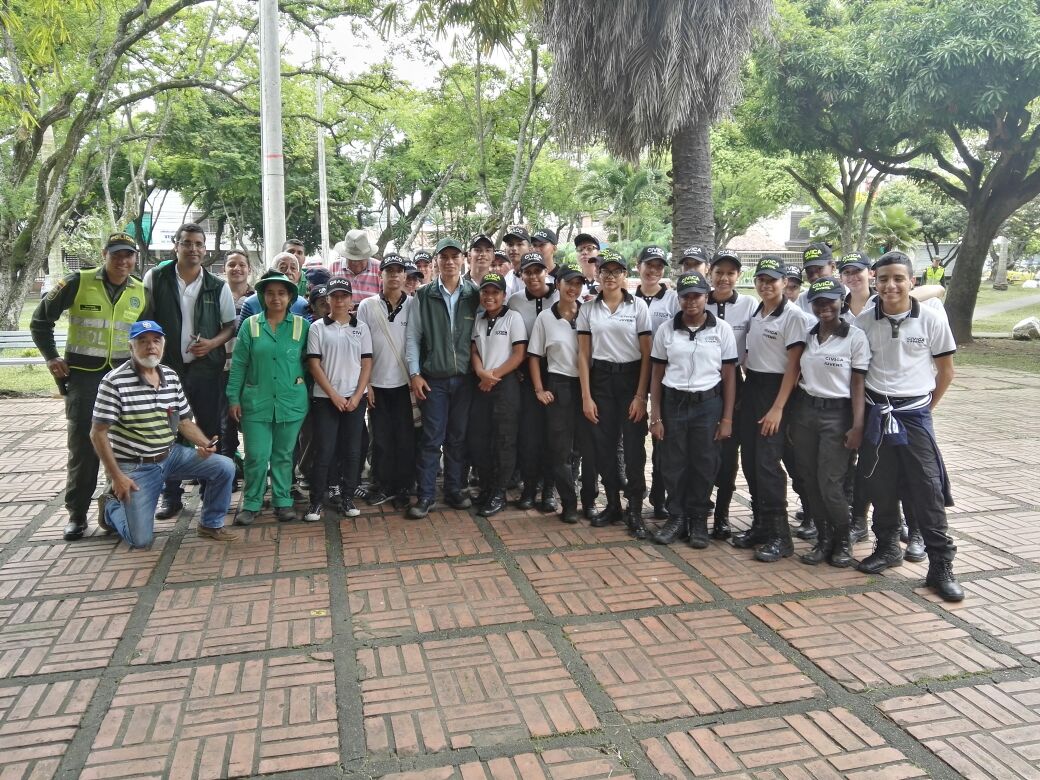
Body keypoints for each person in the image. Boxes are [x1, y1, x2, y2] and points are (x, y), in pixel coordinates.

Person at [852, 251, 963, 601]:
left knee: (928, 488)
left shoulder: (931, 319)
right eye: (884, 279)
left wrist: (926, 408)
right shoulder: (864, 322)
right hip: (877, 413)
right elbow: (858, 374)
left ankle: (941, 565)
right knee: (879, 483)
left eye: (898, 278)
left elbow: (946, 372)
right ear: (875, 282)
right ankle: (887, 547)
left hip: (915, 415)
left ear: (912, 281)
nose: (891, 285)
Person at [31, 231, 148, 540]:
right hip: (85, 378)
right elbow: (40, 321)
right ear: (104, 254)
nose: (122, 261)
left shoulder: (140, 290)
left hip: (124, 379)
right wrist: (51, 357)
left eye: (128, 255)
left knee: (123, 446)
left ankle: (113, 508)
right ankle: (77, 514)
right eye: (116, 254)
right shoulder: (77, 282)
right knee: (84, 449)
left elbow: (147, 336)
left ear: (135, 258)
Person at [90, 321, 237, 547]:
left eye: (156, 341)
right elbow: (98, 434)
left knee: (224, 466)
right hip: (135, 466)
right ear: (131, 347)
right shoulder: (114, 382)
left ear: (163, 345)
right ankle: (110, 506)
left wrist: (205, 443)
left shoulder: (169, 375)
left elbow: (183, 421)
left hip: (171, 455)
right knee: (140, 540)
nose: (151, 346)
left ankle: (210, 524)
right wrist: (117, 476)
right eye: (143, 341)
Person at [143, 223, 237, 521]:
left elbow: (230, 326)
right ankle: (170, 496)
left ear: (205, 249)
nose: (193, 249)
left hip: (206, 371)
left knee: (209, 430)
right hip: (167, 370)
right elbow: (145, 320)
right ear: (176, 246)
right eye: (187, 243)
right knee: (167, 431)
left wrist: (211, 344)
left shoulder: (216, 285)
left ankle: (210, 493)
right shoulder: (156, 278)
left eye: (198, 244)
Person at [648, 271, 737, 547]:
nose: (691, 301)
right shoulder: (667, 330)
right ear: (679, 299)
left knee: (705, 463)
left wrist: (727, 418)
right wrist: (655, 415)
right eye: (685, 296)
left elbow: (729, 376)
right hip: (674, 404)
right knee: (673, 463)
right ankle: (676, 517)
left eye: (696, 296)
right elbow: (656, 374)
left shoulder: (721, 329)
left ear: (706, 297)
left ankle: (698, 519)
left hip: (708, 405)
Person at [732, 256, 808, 562]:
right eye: (761, 279)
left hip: (778, 392)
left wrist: (778, 408)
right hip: (753, 387)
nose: (766, 285)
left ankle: (781, 536)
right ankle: (761, 526)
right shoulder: (757, 312)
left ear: (784, 282)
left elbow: (794, 366)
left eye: (772, 280)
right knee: (750, 461)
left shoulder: (793, 316)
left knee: (767, 463)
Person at [790, 278, 869, 568]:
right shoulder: (809, 336)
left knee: (831, 483)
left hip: (838, 415)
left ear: (841, 302)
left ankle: (843, 540)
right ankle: (823, 540)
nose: (824, 306)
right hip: (807, 412)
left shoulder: (855, 337)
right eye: (818, 301)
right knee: (809, 480)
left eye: (830, 300)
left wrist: (858, 426)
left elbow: (858, 385)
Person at [577, 249, 652, 537]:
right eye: (605, 271)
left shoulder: (638, 307)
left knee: (633, 448)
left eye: (616, 271)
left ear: (624, 275)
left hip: (631, 380)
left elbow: (647, 355)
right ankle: (612, 505)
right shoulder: (588, 309)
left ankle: (635, 509)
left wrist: (640, 396)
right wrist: (586, 396)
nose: (610, 276)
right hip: (601, 380)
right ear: (597, 274)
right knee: (604, 447)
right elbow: (584, 356)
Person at [405, 237, 480, 518]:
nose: (449, 261)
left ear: (463, 259)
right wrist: (415, 373)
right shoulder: (423, 296)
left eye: (454, 256)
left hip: (465, 379)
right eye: (443, 256)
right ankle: (425, 496)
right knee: (431, 438)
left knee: (458, 437)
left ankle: (454, 489)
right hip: (433, 379)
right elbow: (413, 337)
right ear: (436, 260)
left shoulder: (474, 294)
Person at [227, 272, 310, 525]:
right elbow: (239, 364)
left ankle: (283, 501)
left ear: (290, 297)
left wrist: (302, 385)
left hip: (290, 401)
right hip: (256, 402)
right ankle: (252, 503)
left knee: (283, 455)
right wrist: (233, 397)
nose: (276, 298)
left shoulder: (302, 326)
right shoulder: (250, 325)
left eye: (282, 293)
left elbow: (312, 363)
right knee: (256, 455)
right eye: (270, 293)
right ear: (262, 296)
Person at [304, 278, 372, 521]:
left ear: (351, 300)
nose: (340, 300)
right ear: (328, 299)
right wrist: (333, 395)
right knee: (324, 450)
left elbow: (366, 363)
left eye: (344, 296)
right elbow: (314, 364)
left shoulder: (361, 327)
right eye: (335, 296)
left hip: (355, 399)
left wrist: (357, 395)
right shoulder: (317, 328)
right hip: (325, 399)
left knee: (352, 450)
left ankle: (347, 497)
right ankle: (316, 501)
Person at [527, 263, 588, 524]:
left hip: (586, 386)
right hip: (559, 385)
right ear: (558, 284)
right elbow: (534, 356)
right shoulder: (545, 318)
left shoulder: (588, 313)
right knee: (560, 449)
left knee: (581, 447)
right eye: (568, 283)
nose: (573, 288)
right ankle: (569, 503)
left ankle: (586, 500)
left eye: (578, 284)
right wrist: (539, 389)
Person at [357, 254, 415, 510]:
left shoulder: (414, 304)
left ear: (404, 275)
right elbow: (361, 346)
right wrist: (367, 383)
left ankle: (403, 487)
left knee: (405, 438)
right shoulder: (367, 306)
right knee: (380, 439)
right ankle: (381, 485)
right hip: (377, 384)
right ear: (380, 275)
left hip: (405, 384)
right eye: (388, 271)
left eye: (398, 271)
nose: (394, 275)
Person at [705, 249, 756, 539]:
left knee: (728, 451)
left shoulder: (749, 304)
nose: (724, 278)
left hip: (734, 380)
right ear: (709, 273)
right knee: (703, 448)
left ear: (738, 276)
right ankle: (698, 508)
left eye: (730, 273)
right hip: (702, 379)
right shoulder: (698, 300)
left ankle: (722, 515)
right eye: (719, 272)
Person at [468, 272, 528, 516]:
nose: (490, 296)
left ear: (504, 295)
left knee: (504, 440)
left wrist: (493, 376)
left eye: (495, 292)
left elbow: (519, 354)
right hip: (482, 385)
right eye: (485, 292)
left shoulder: (513, 318)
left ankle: (499, 493)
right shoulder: (479, 319)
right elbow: (474, 350)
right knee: (480, 440)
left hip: (505, 385)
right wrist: (481, 372)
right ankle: (486, 487)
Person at [508, 251, 560, 512]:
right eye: (527, 272)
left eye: (537, 271)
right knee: (529, 435)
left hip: (558, 372)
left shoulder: (560, 295)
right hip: (527, 374)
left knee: (553, 434)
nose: (533, 276)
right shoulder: (515, 301)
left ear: (546, 272)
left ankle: (549, 490)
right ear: (521, 275)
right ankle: (529, 488)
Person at [634, 245, 679, 518]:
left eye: (659, 266)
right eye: (648, 265)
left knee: (663, 437)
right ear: (637, 266)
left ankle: (660, 495)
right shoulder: (628, 298)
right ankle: (635, 492)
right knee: (634, 436)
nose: (653, 271)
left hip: (666, 374)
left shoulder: (673, 299)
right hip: (635, 373)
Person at [220, 250, 254, 487]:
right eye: (232, 264)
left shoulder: (257, 297)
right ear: (225, 269)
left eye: (242, 264)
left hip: (250, 370)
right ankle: (228, 473)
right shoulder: (217, 294)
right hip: (222, 368)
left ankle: (254, 472)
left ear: (249, 269)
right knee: (226, 425)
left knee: (251, 423)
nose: (237, 269)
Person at [239, 252, 310, 319]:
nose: (288, 271)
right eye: (282, 267)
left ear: (298, 274)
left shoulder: (304, 305)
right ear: (272, 271)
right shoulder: (250, 304)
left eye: (293, 268)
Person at [331, 229, 381, 303]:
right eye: (351, 259)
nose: (355, 263)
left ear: (367, 256)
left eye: (359, 259)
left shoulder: (379, 268)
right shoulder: (334, 267)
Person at [795, 243, 838, 315]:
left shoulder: (848, 296)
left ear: (833, 266)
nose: (814, 276)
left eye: (820, 269)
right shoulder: (801, 301)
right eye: (809, 271)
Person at [502, 225, 531, 296]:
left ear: (530, 249)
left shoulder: (537, 277)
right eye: (510, 244)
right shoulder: (507, 277)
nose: (514, 248)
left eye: (519, 244)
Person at [574, 233, 601, 300]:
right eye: (580, 249)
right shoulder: (571, 281)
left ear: (599, 252)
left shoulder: (608, 280)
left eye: (589, 248)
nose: (584, 252)